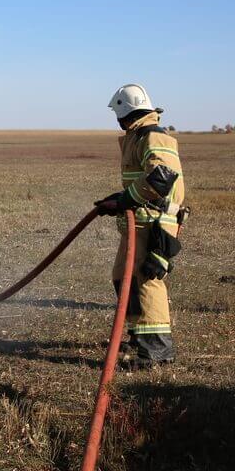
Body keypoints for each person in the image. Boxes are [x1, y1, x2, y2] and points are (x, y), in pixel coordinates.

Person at [95, 84, 186, 367]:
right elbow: (141, 179)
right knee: (123, 276)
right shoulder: (138, 136)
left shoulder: (153, 136)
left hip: (154, 222)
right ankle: (139, 335)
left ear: (125, 111)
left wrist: (127, 200)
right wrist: (121, 200)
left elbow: (162, 177)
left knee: (148, 282)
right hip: (139, 221)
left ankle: (158, 352)